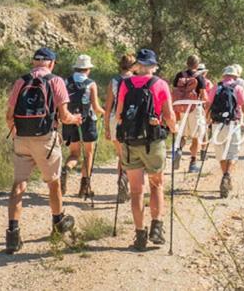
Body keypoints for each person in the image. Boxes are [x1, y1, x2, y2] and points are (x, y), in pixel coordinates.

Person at [4, 47, 83, 254]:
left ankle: (13, 234)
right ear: (51, 63)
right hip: (46, 139)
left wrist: (16, 135)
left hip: (21, 137)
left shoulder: (21, 81)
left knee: (18, 185)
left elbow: (8, 115)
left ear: (34, 62)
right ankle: (58, 224)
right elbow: (64, 116)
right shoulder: (56, 81)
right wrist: (75, 119)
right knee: (53, 182)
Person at [117, 48, 176, 251]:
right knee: (156, 185)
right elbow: (168, 114)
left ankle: (140, 235)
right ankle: (157, 228)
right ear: (153, 66)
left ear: (137, 66)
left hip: (131, 142)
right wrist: (174, 129)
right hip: (153, 141)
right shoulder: (160, 84)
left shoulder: (125, 84)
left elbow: (119, 115)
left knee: (135, 191)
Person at [60, 55, 103, 199]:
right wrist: (106, 113)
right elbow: (96, 107)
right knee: (88, 154)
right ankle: (84, 188)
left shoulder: (66, 81)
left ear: (76, 68)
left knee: (74, 154)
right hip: (87, 122)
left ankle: (66, 169)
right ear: (88, 69)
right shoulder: (91, 84)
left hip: (70, 120)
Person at [206, 65, 244, 198]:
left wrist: (207, 119)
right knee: (232, 153)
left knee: (221, 153)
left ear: (224, 76)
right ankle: (227, 176)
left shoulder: (216, 87)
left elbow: (208, 104)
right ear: (235, 77)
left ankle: (225, 176)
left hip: (217, 124)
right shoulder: (238, 88)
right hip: (233, 124)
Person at [105, 54, 136, 203]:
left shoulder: (114, 81)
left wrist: (106, 127)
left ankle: (121, 184)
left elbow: (108, 107)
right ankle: (125, 182)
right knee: (131, 156)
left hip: (114, 120)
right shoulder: (137, 80)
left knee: (121, 155)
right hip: (132, 121)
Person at [172, 55, 208, 174]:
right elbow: (203, 96)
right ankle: (193, 164)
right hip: (194, 108)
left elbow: (175, 91)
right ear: (197, 65)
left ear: (187, 63)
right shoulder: (200, 77)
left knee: (182, 134)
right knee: (196, 137)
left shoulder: (179, 75)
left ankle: (178, 150)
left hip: (182, 108)